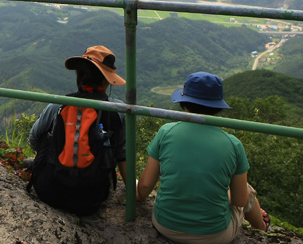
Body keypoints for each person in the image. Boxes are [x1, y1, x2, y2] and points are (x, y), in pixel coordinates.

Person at [136, 71, 270, 243]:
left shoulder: (165, 132)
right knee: (247, 191)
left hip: (165, 225)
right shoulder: (233, 144)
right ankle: (263, 229)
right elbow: (239, 200)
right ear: (217, 107)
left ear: (185, 104)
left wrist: (137, 197)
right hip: (215, 235)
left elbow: (146, 185)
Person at [27, 45, 128, 215]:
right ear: (107, 80)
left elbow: (34, 139)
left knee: (47, 133)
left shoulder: (57, 106)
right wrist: (134, 194)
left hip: (48, 190)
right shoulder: (119, 112)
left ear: (79, 77)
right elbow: (122, 155)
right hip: (90, 199)